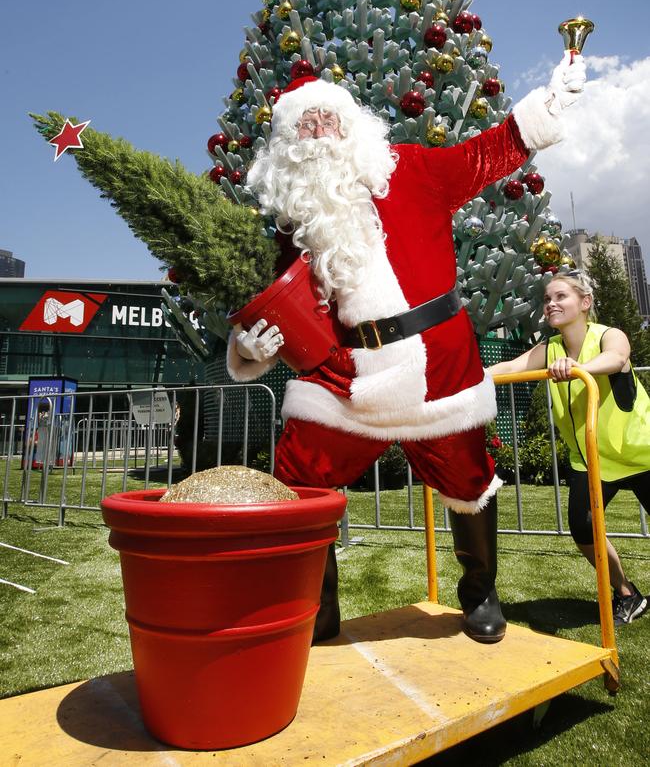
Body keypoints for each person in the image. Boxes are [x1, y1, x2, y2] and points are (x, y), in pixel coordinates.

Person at [227, 53, 586, 644]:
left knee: (470, 481)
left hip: (437, 366)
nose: (319, 134)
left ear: (351, 126)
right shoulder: (294, 226)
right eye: (304, 126)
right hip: (347, 376)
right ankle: (317, 610)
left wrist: (548, 106)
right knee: (297, 476)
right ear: (288, 144)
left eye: (327, 120)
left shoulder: (416, 170)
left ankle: (480, 593)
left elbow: (487, 152)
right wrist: (253, 347)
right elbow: (284, 309)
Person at [489, 271, 649, 625]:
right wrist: (472, 377)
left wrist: (579, 368)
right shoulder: (550, 349)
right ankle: (627, 593)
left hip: (641, 453)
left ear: (585, 302)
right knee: (583, 529)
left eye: (560, 297)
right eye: (547, 299)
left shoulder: (608, 335)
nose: (551, 304)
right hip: (590, 460)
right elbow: (511, 367)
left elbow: (617, 358)